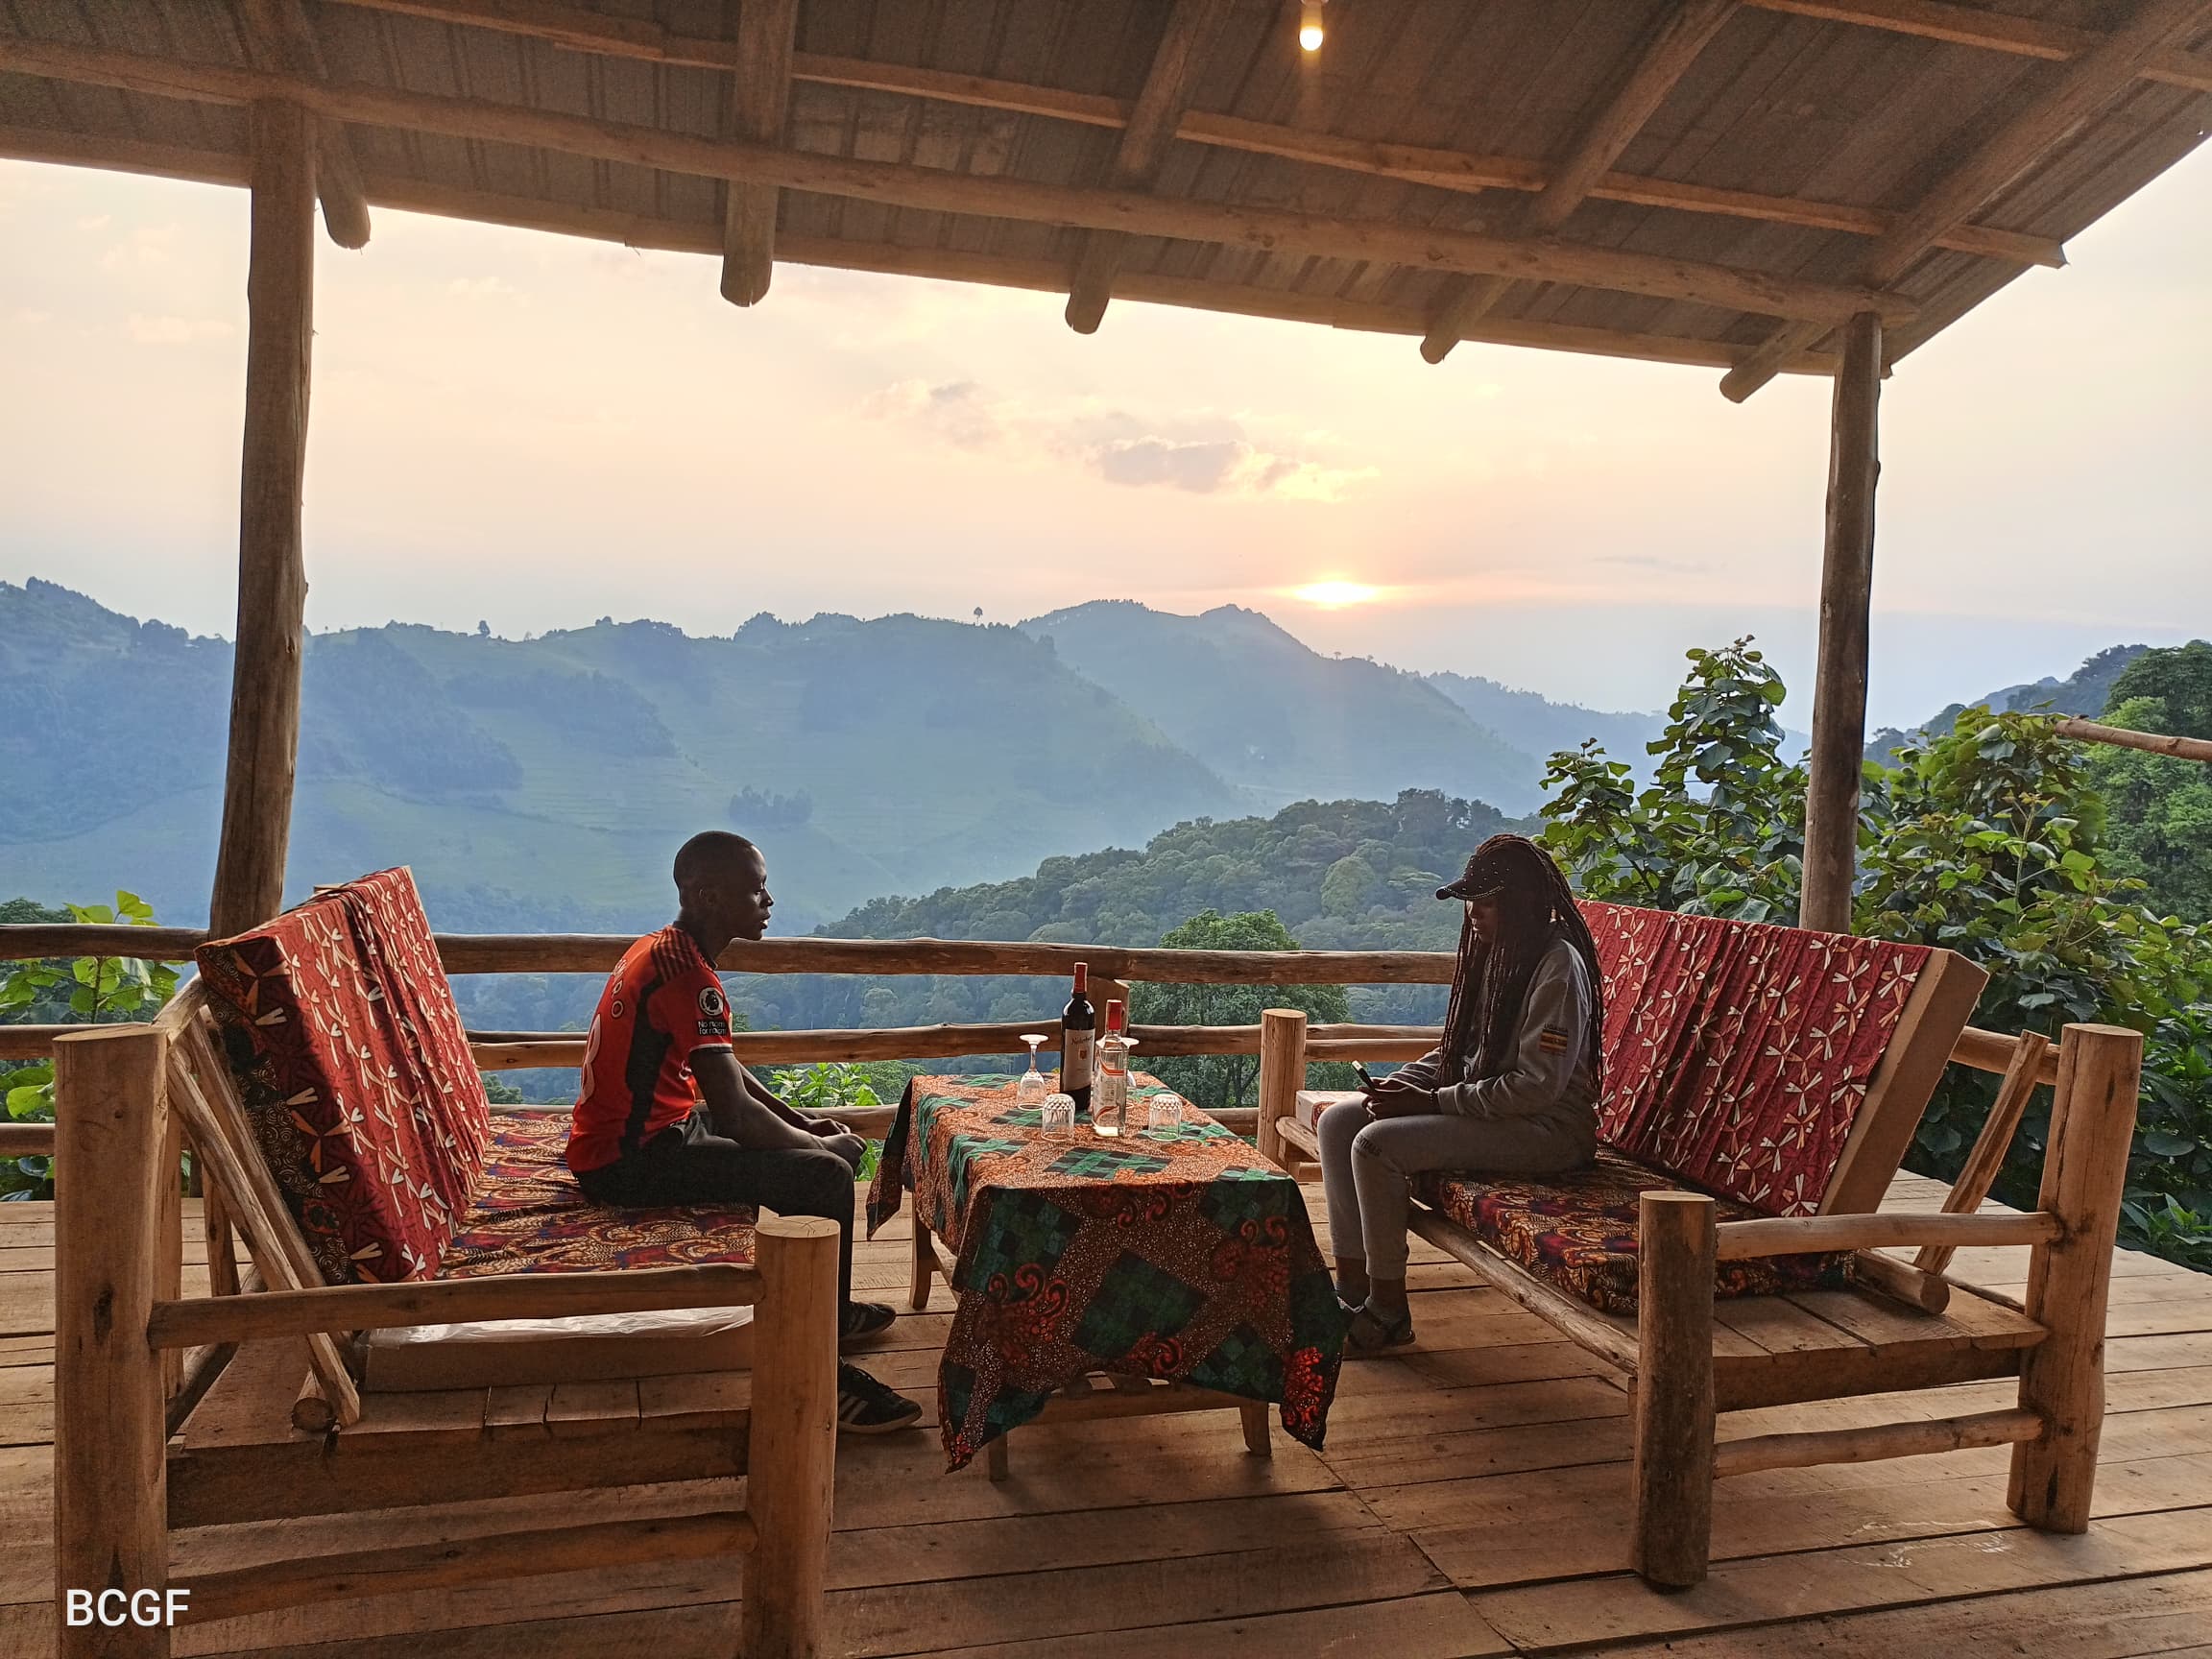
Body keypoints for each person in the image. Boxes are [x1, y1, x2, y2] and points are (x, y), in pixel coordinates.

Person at [565, 830, 922, 1433]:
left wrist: (801, 1121)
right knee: (826, 1176)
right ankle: (822, 1372)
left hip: (638, 1135)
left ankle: (829, 1314)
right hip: (628, 1162)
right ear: (706, 896)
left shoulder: (664, 949)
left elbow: (725, 1074)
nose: (768, 901)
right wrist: (820, 1146)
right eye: (755, 891)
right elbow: (733, 1115)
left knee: (808, 1153)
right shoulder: (689, 977)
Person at [1316, 833, 1605, 1355]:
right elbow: (1462, 1053)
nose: (1475, 914)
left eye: (1488, 903)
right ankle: (1350, 1288)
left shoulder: (1556, 967)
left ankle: (1388, 1310)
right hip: (1500, 1115)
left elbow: (1537, 1088)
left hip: (1548, 1131)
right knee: (1339, 1122)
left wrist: (1431, 1103)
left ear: (1520, 905)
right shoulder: (1499, 956)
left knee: (1376, 1145)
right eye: (1472, 902)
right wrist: (1406, 1084)